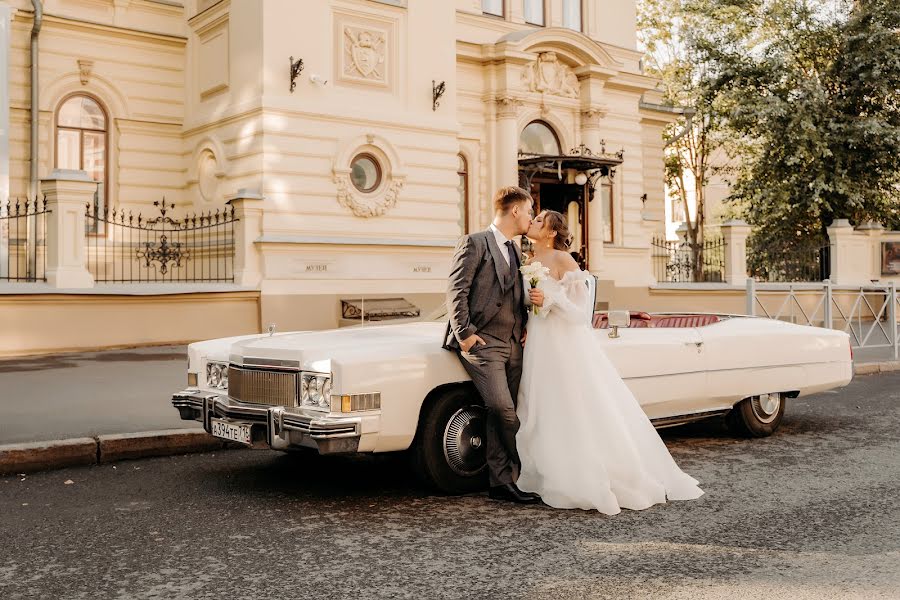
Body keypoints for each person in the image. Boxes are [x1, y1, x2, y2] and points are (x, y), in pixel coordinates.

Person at [516, 210, 704, 514]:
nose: (532, 222)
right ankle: (545, 472)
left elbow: (581, 313)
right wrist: (527, 322)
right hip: (538, 342)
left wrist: (549, 301)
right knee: (541, 405)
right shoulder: (527, 261)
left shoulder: (564, 260)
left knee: (571, 404)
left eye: (539, 220)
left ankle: (585, 476)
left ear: (551, 231)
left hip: (562, 345)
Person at [443, 186, 539, 504]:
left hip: (513, 342)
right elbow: (456, 290)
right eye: (528, 211)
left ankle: (501, 483)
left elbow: (515, 295)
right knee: (503, 409)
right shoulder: (475, 242)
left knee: (500, 414)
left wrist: (525, 325)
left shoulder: (516, 251)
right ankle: (531, 463)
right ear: (514, 210)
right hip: (483, 342)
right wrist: (465, 334)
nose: (530, 217)